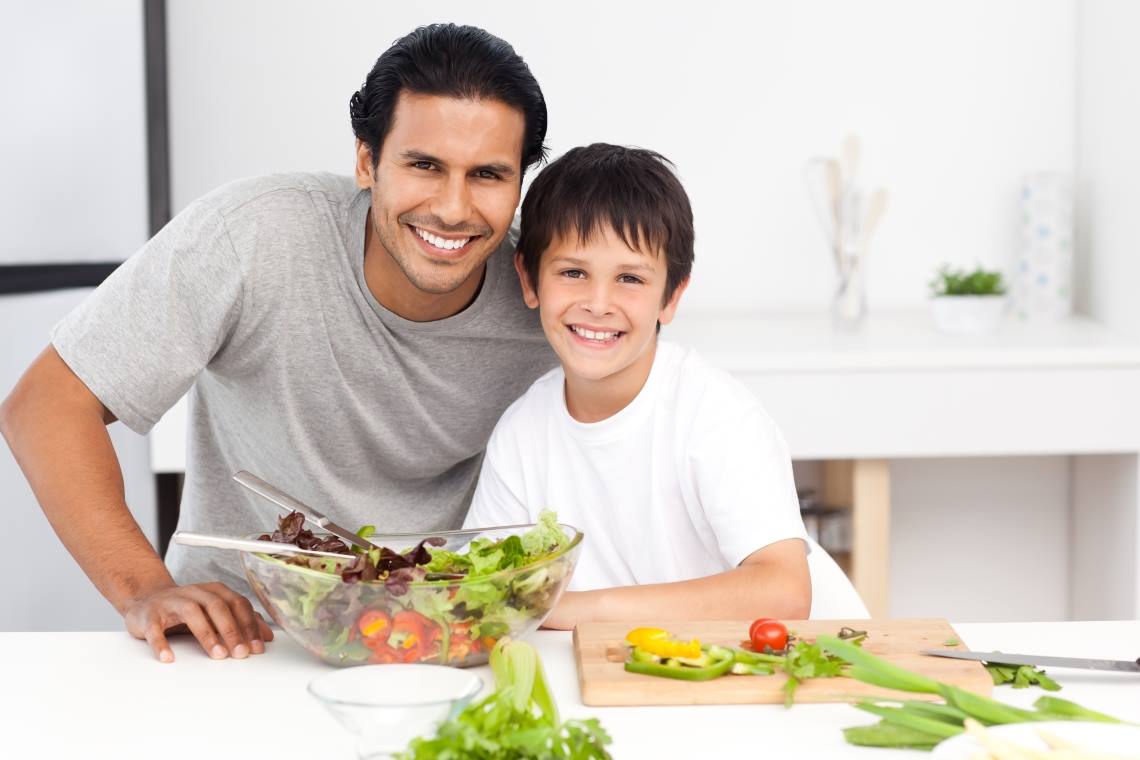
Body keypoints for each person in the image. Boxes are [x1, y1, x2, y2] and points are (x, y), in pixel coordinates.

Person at [0, 24, 556, 662]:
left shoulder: (545, 297)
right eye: (424, 165)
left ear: (519, 186)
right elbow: (42, 405)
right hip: (243, 640)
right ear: (367, 162)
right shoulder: (255, 235)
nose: (454, 209)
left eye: (487, 174)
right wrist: (143, 588)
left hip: (450, 636)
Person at [463, 144, 812, 628]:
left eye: (629, 278)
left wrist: (591, 608)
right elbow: (483, 595)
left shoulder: (715, 415)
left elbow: (786, 592)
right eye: (572, 272)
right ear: (529, 279)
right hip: (592, 678)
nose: (598, 303)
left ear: (671, 296)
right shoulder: (522, 430)